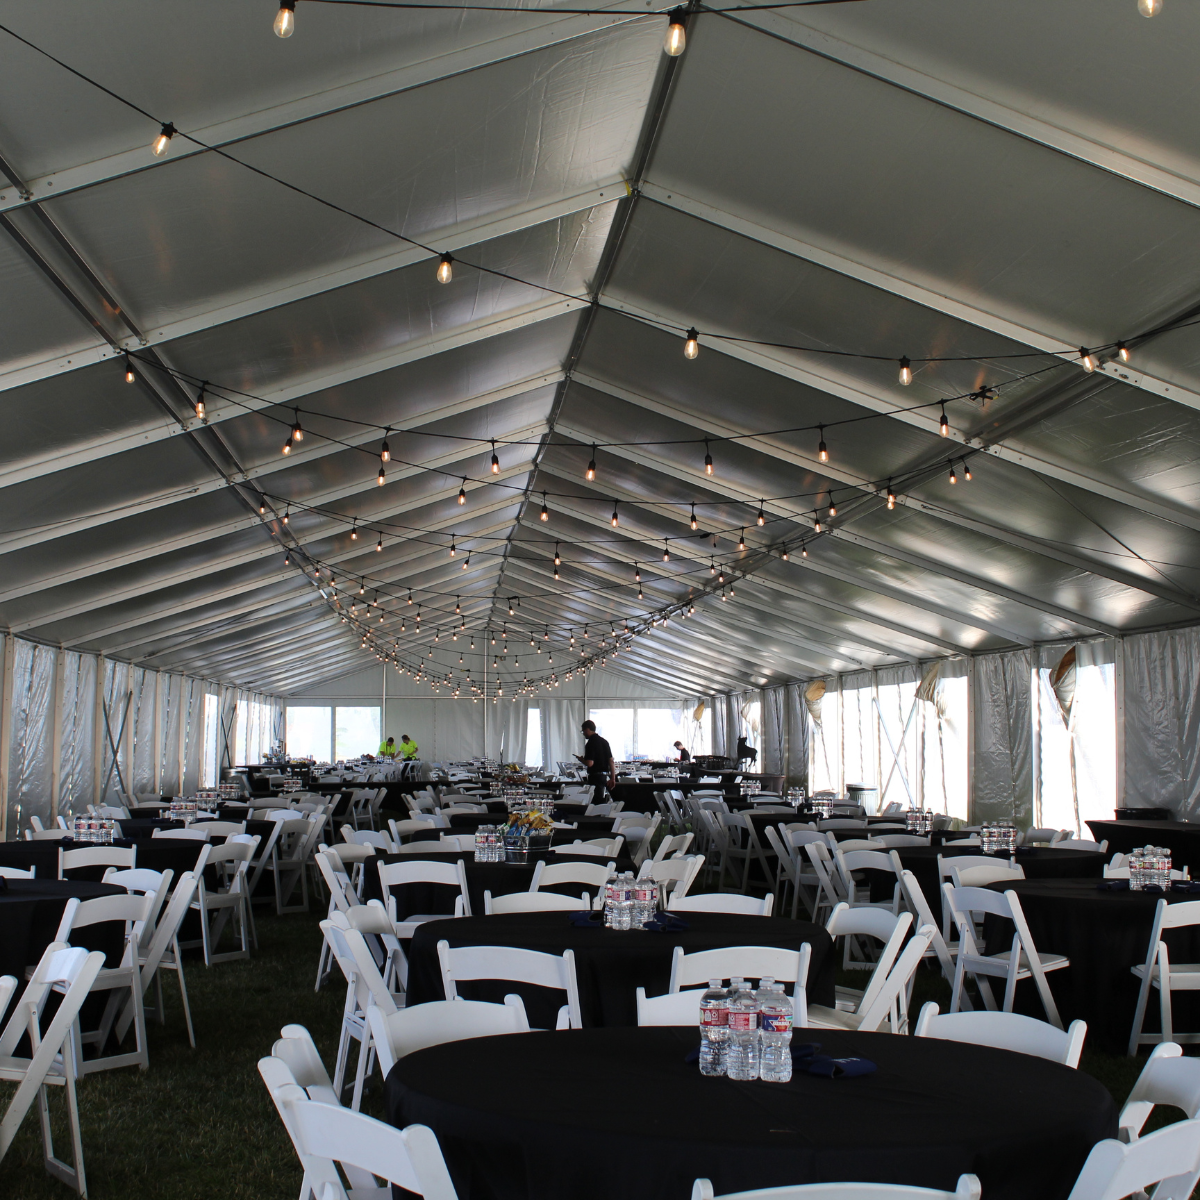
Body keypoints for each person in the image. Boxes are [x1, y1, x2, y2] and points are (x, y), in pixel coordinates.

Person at [575, 720, 616, 805]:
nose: (583, 733)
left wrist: (581, 760)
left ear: (587, 729)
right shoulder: (605, 742)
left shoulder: (590, 743)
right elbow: (611, 761)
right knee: (601, 801)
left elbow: (590, 763)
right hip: (604, 777)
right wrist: (613, 778)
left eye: (583, 731)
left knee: (594, 803)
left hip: (594, 777)